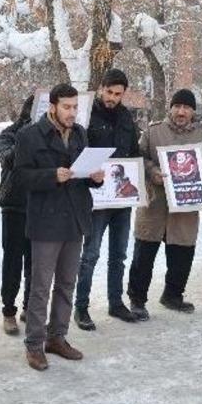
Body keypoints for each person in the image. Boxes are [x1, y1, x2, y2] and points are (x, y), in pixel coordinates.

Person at [15, 83, 105, 370]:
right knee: (40, 286)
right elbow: (20, 178)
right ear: (52, 106)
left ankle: (58, 337)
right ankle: (34, 344)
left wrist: (96, 177)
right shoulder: (29, 135)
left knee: (67, 283)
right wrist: (52, 175)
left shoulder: (79, 133)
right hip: (45, 220)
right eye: (66, 107)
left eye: (75, 107)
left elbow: (83, 171)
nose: (72, 112)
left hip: (75, 217)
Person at [126, 89, 202, 319]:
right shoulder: (153, 132)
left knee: (182, 253)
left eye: (186, 107)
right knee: (144, 255)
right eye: (177, 106)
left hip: (186, 208)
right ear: (170, 108)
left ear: (193, 111)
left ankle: (173, 295)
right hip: (155, 205)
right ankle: (137, 299)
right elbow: (138, 158)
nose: (181, 111)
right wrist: (153, 171)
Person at [72, 68, 141, 331]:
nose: (112, 97)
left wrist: (137, 179)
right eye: (109, 92)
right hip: (96, 196)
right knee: (90, 254)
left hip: (122, 195)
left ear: (124, 94)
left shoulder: (126, 117)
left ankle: (116, 302)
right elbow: (78, 150)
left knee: (119, 254)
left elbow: (133, 152)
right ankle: (81, 306)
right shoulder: (87, 114)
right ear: (101, 89)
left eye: (118, 94)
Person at [0, 94, 35, 335]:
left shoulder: (52, 136)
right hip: (14, 205)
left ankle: (29, 307)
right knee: (13, 261)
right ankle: (8, 311)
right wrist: (28, 135)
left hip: (40, 207)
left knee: (36, 262)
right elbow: (7, 159)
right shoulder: (10, 134)